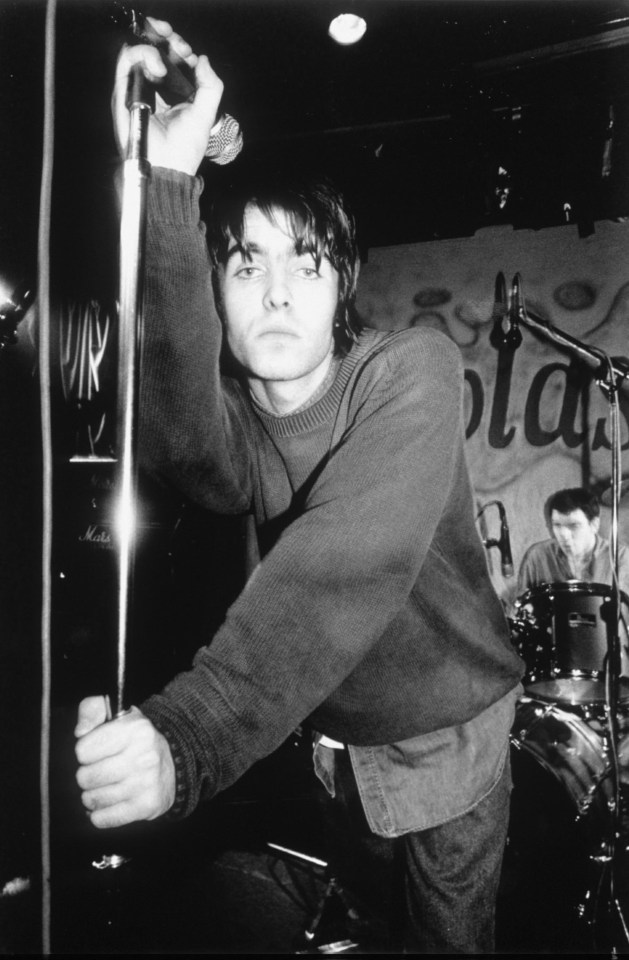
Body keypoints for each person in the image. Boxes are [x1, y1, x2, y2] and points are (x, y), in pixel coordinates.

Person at [74, 19, 524, 954]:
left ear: (341, 286)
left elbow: (339, 571)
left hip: (449, 728)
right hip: (334, 741)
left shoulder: (410, 371)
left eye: (305, 263)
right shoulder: (239, 428)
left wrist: (187, 740)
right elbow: (182, 438)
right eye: (246, 265)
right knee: (358, 925)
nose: (276, 292)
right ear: (221, 292)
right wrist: (166, 178)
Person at [517, 487, 629, 595]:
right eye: (557, 525)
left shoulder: (621, 558)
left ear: (594, 524)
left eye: (574, 525)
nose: (564, 535)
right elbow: (520, 606)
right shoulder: (537, 557)